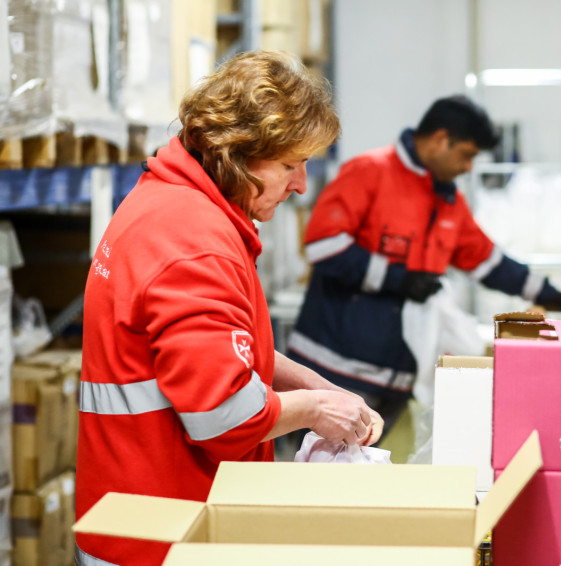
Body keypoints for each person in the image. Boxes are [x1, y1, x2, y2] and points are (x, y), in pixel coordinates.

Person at [75, 51, 383, 566]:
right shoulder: (195, 245)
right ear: (237, 153)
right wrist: (316, 410)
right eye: (289, 165)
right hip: (162, 538)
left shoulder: (167, 200)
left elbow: (214, 349)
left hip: (138, 513)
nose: (301, 184)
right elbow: (222, 419)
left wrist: (313, 385)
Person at [286, 95, 561, 432]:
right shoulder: (369, 172)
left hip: (395, 381)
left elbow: (488, 261)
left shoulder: (448, 199)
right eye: (467, 155)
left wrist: (552, 294)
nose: (469, 168)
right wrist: (399, 278)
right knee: (317, 465)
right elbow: (323, 246)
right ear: (439, 139)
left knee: (372, 464)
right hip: (331, 375)